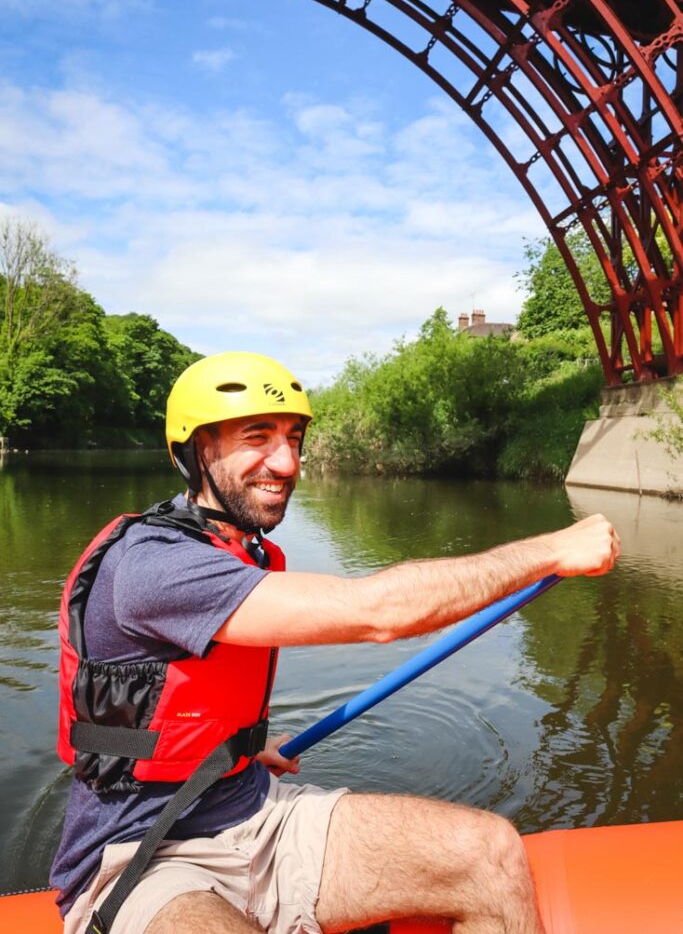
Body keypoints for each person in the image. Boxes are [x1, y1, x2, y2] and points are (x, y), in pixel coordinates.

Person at [51, 351, 620, 934]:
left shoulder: (243, 551)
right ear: (198, 451)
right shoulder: (152, 566)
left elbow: (182, 694)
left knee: (491, 854)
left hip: (252, 808)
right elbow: (380, 614)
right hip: (141, 855)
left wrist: (236, 748)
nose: (286, 461)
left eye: (294, 439)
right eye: (258, 437)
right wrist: (551, 551)